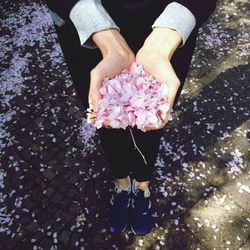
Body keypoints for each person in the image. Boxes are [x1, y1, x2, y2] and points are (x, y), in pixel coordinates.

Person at [46, 0, 217, 236]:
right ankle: (121, 183)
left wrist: (167, 36)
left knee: (153, 119)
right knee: (105, 116)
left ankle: (142, 185)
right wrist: (99, 29)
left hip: (168, 25)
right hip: (85, 23)